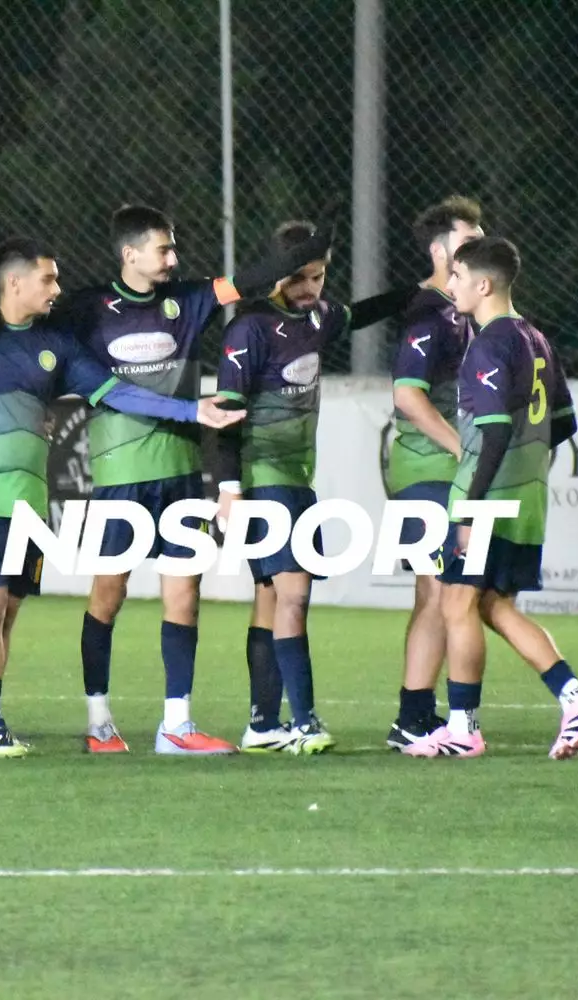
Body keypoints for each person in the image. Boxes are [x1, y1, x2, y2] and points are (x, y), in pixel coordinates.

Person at [0, 238, 245, 758]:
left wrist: (192, 411)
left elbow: (116, 392)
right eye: (48, 279)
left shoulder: (56, 345)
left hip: (28, 496)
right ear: (14, 282)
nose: (57, 288)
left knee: (7, 609)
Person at [66, 203, 328, 755]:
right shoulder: (87, 309)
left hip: (182, 473)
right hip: (120, 476)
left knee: (185, 595)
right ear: (130, 253)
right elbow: (37, 338)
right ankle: (98, 719)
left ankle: (176, 725)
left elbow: (252, 279)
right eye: (163, 249)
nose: (173, 259)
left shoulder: (190, 300)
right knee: (108, 594)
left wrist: (315, 242)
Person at [401, 236, 578, 760]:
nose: (450, 286)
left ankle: (464, 728)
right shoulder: (536, 339)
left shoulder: (489, 343)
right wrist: (527, 466)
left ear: (484, 284)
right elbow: (564, 424)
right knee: (491, 604)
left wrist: (471, 509)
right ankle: (573, 697)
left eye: (458, 277)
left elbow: (492, 432)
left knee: (456, 602)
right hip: (527, 497)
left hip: (488, 497)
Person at [212, 221, 407, 755]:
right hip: (264, 478)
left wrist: (424, 290)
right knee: (295, 596)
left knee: (272, 598)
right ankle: (304, 721)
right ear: (277, 273)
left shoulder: (319, 317)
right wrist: (228, 488)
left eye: (317, 277)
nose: (309, 288)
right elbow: (226, 413)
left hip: (299, 480)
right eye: (298, 277)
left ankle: (262, 723)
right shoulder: (250, 328)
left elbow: (362, 313)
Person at [385, 196, 483, 749]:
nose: (478, 248)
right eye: (468, 242)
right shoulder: (429, 314)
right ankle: (419, 715)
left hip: (448, 471)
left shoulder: (466, 310)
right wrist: (461, 448)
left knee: (440, 591)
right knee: (443, 590)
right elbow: (407, 395)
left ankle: (416, 715)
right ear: (440, 252)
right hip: (428, 468)